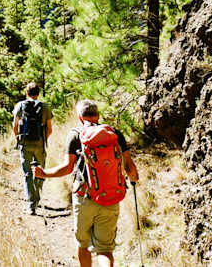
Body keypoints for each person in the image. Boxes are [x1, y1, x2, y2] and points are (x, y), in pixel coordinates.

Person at [37, 99, 139, 267]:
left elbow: (67, 168)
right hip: (111, 195)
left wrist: (44, 173)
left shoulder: (75, 135)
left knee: (83, 245)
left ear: (80, 117)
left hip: (84, 197)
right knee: (104, 250)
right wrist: (134, 180)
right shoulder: (114, 133)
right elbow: (130, 168)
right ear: (98, 115)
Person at [10, 82, 52, 214]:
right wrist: (44, 139)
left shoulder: (20, 106)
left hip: (25, 143)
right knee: (40, 171)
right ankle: (37, 199)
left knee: (27, 173)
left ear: (27, 93)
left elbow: (15, 126)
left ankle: (31, 204)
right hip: (39, 143)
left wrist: (18, 138)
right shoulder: (45, 107)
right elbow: (50, 129)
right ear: (38, 93)